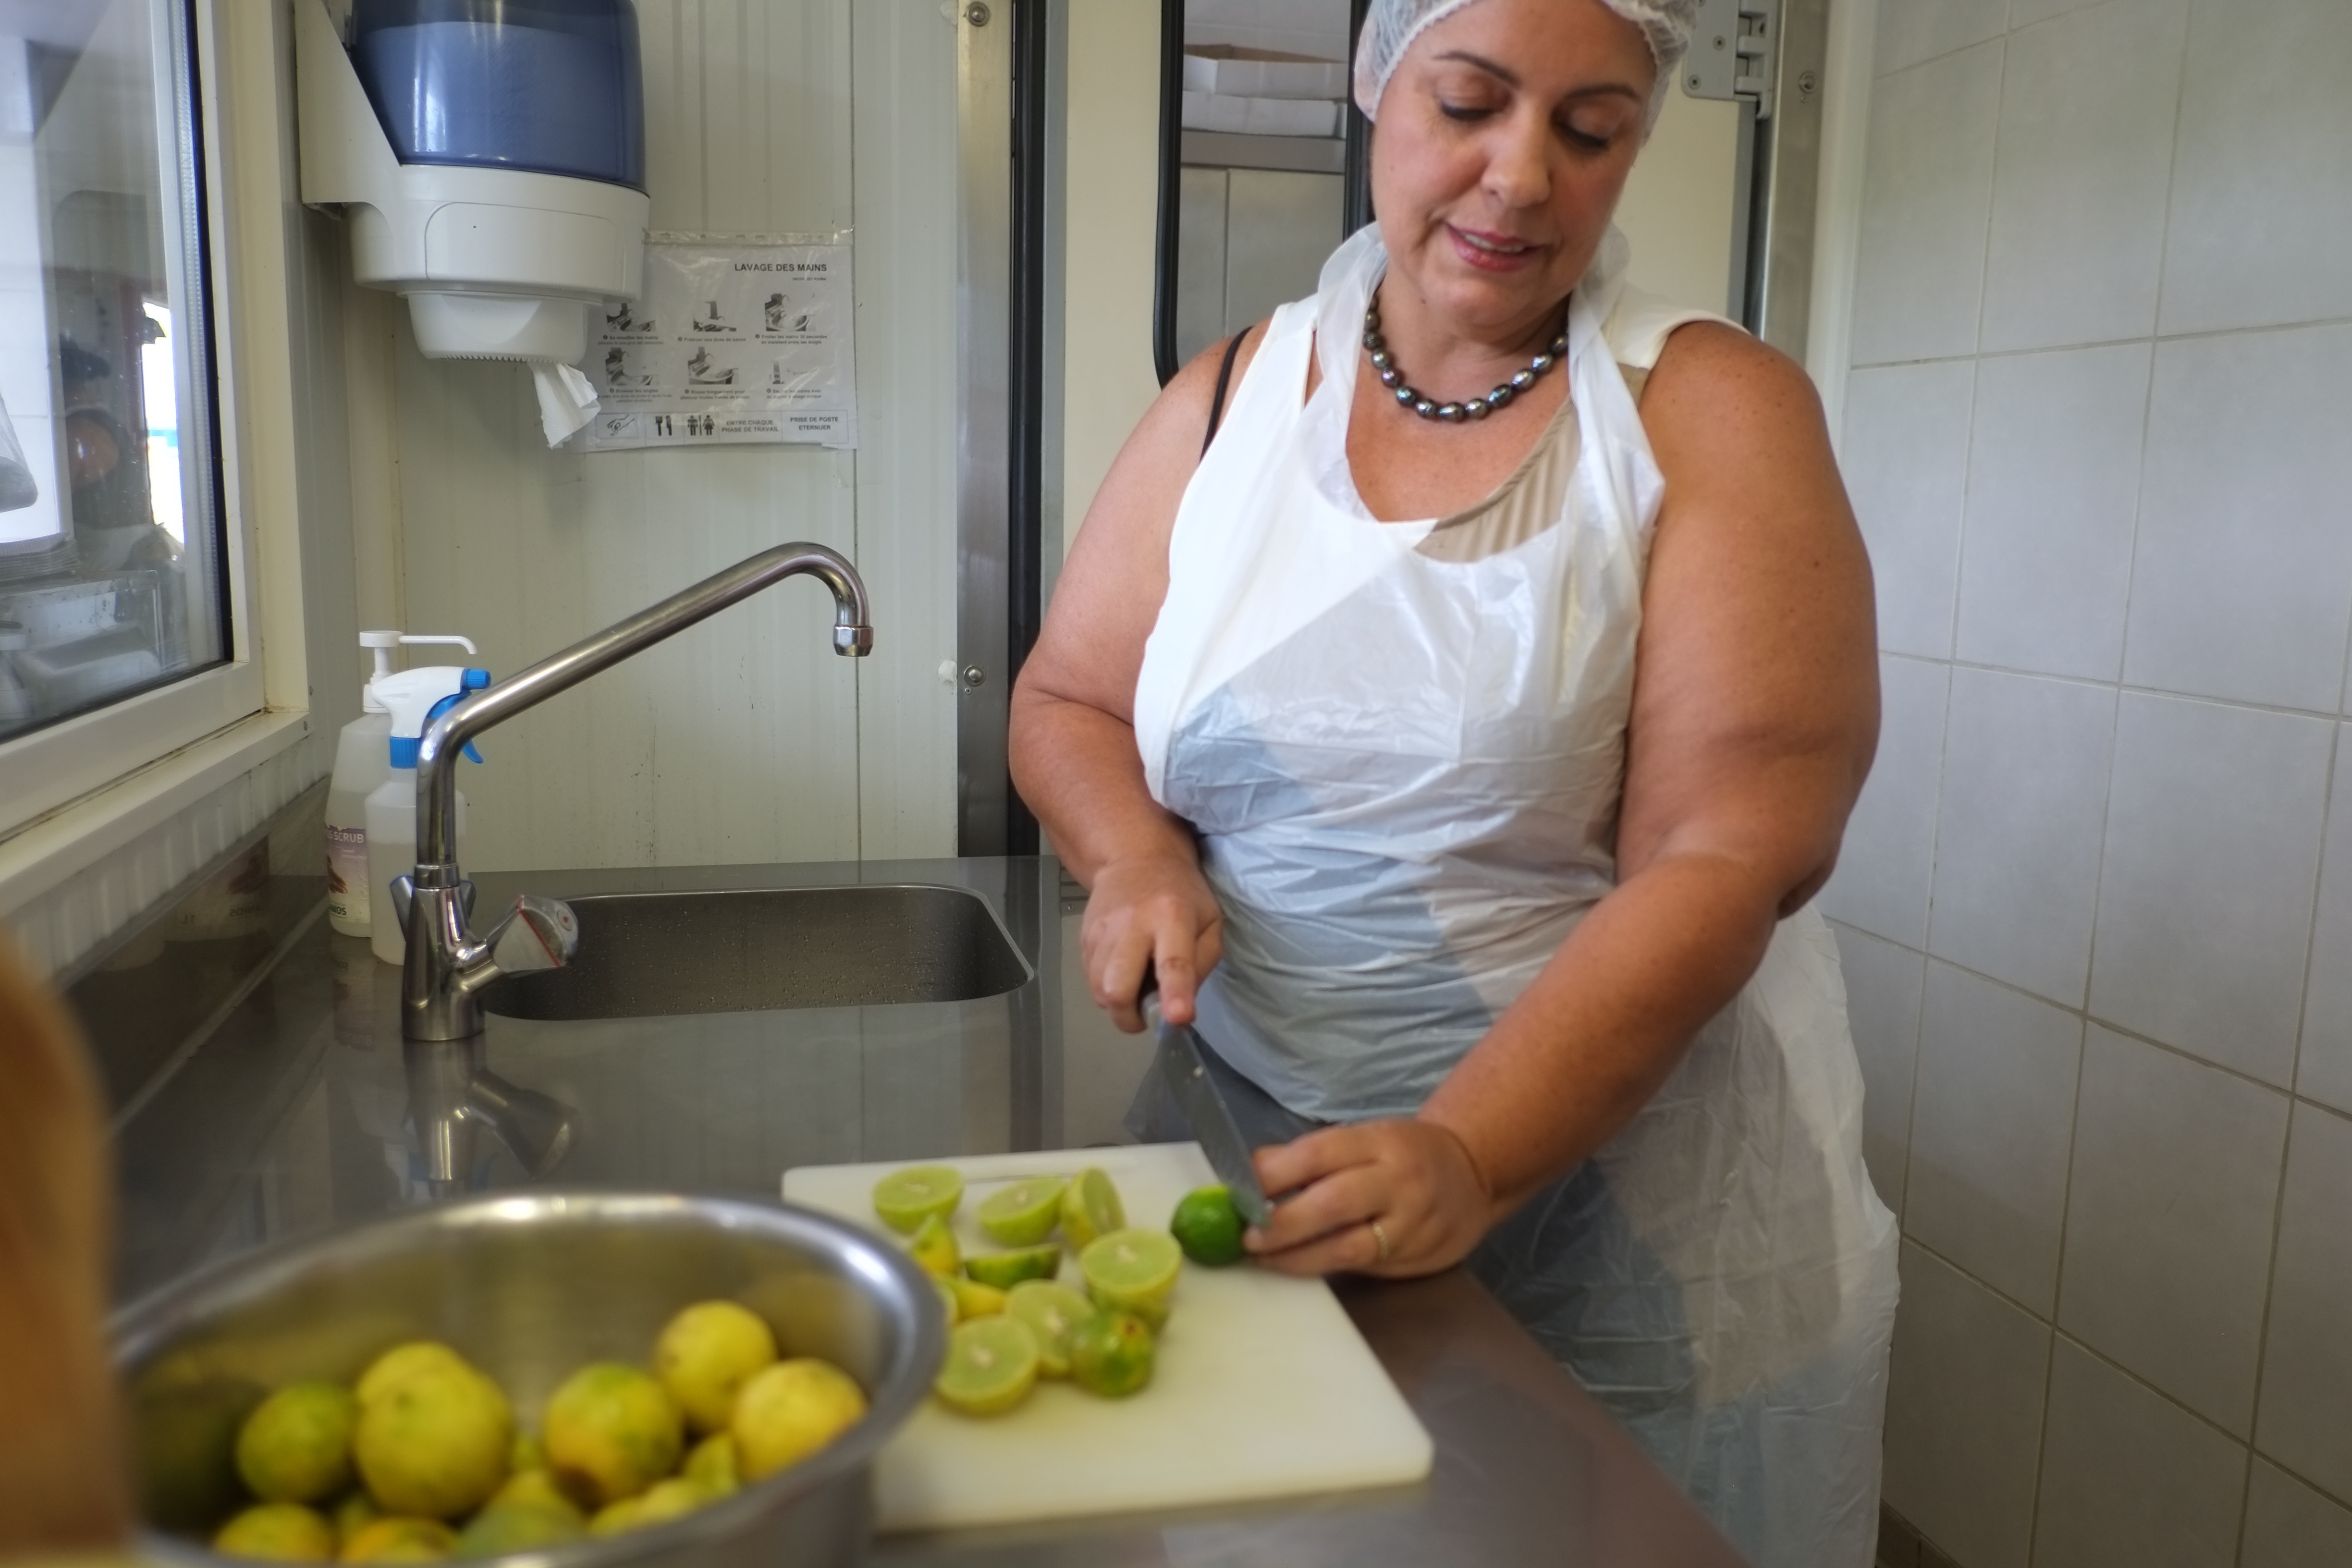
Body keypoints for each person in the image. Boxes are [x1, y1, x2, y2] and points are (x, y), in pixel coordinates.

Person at [1009, 0, 1899, 1562]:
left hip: (1627, 1235)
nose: (1519, 177)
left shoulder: (1709, 410)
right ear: (1374, 89)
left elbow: (1730, 848)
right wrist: (1136, 857)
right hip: (1275, 1177)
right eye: (1470, 104)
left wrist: (1476, 1151)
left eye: (1590, 128)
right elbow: (1070, 695)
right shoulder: (1233, 402)